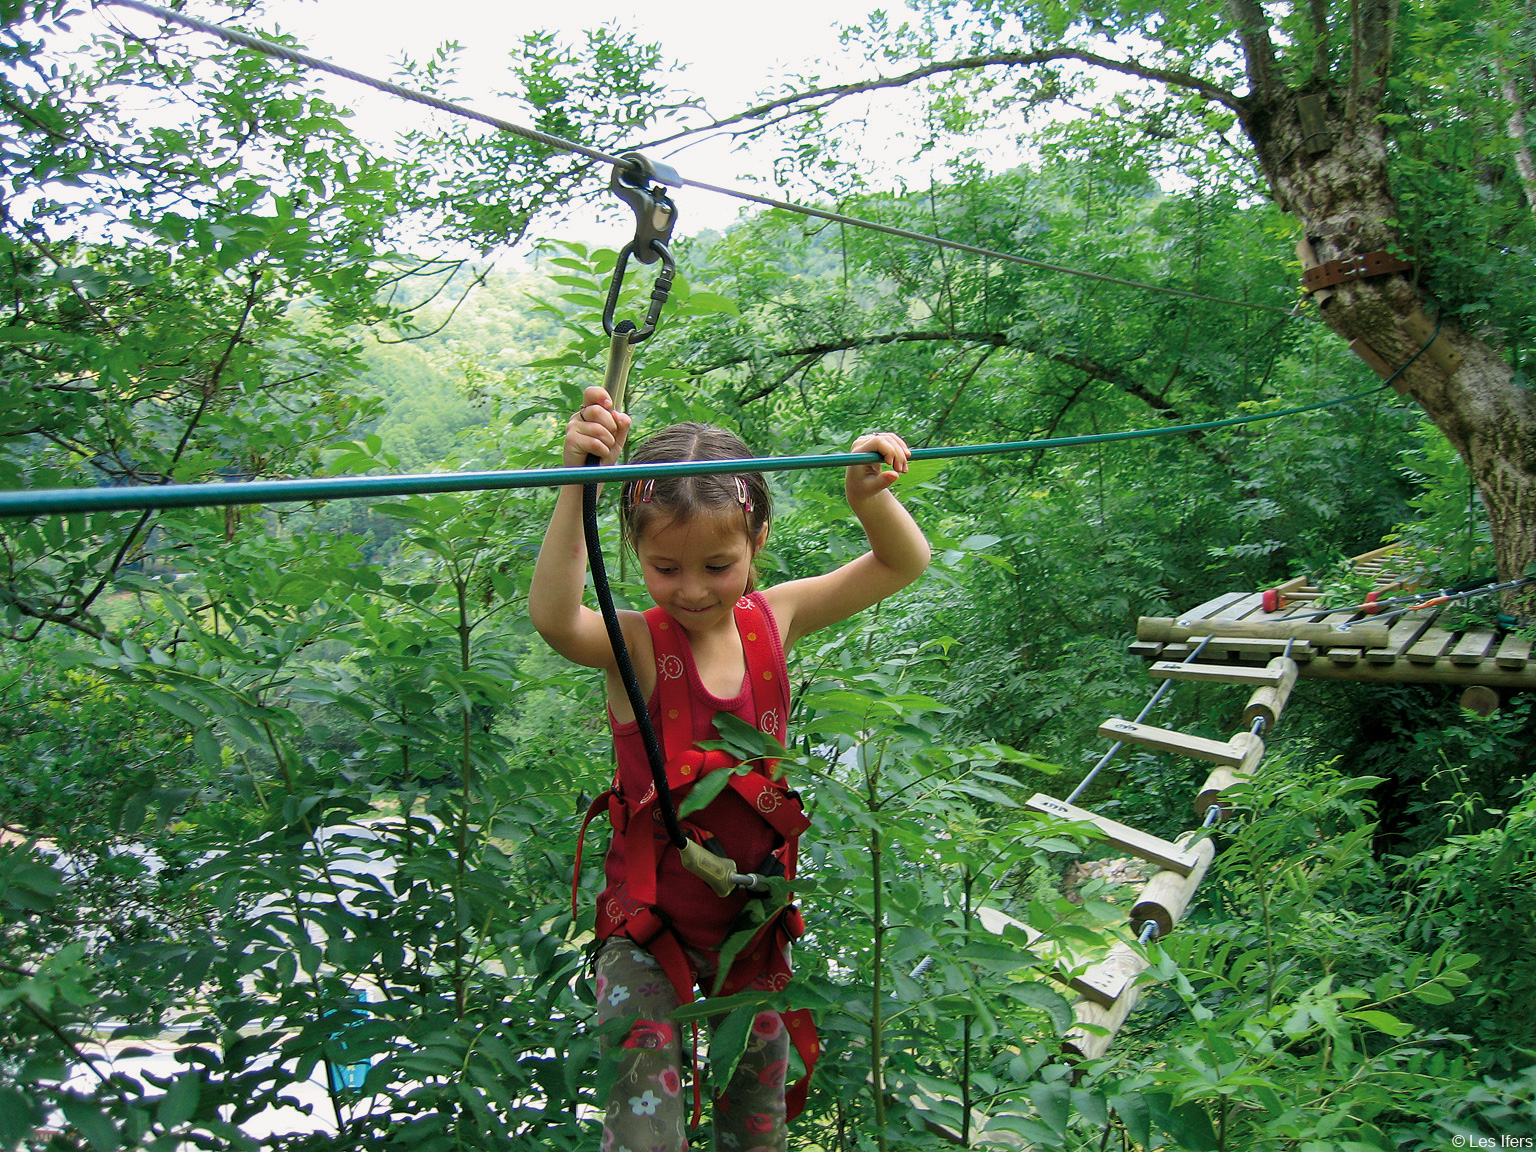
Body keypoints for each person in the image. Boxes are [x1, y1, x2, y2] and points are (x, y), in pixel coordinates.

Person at [529, 384, 929, 1152]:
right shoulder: (637, 644)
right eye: (663, 566)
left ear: (758, 540)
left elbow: (901, 561)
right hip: (648, 938)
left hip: (753, 935)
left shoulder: (773, 620)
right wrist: (575, 486)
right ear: (633, 554)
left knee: (757, 1130)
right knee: (646, 1135)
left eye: (718, 564)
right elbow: (555, 617)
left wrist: (869, 497)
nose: (691, 589)